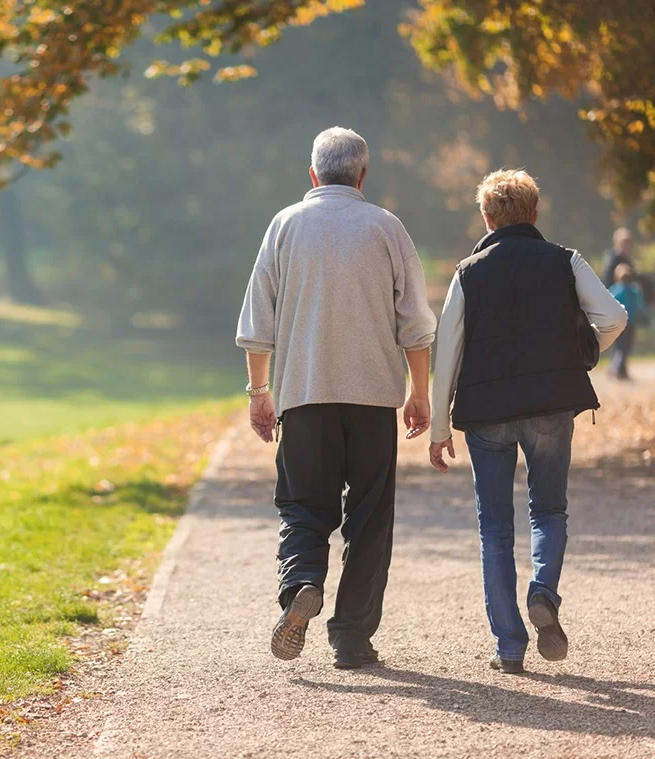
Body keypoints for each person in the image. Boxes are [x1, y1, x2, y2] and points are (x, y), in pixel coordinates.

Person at [236, 127, 437, 669]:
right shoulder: (387, 227)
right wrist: (420, 393)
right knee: (370, 518)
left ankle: (302, 583)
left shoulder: (285, 225)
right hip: (373, 401)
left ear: (313, 174)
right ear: (362, 175)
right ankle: (351, 638)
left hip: (304, 395)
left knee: (303, 504)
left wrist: (260, 392)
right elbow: (416, 324)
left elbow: (259, 322)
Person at [428, 169, 627, 674]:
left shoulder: (468, 272)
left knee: (494, 528)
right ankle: (544, 593)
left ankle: (509, 647)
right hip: (552, 405)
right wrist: (580, 352)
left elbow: (446, 350)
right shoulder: (566, 261)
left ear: (487, 218)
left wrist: (438, 426)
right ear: (535, 213)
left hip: (487, 413)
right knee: (549, 511)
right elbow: (615, 317)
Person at [609, 262, 649, 380]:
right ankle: (617, 370)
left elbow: (609, 304)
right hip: (630, 323)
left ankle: (619, 370)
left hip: (617, 323)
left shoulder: (615, 290)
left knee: (618, 346)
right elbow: (640, 306)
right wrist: (645, 316)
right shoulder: (634, 290)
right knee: (625, 347)